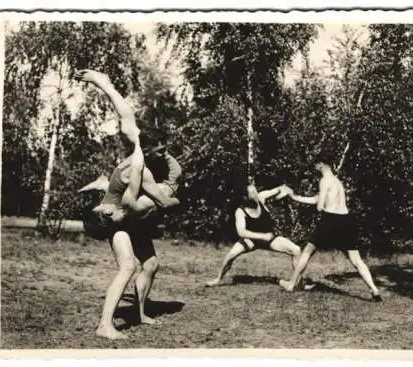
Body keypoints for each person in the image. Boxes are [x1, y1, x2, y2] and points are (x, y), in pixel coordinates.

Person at [74, 69, 182, 339]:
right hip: (117, 222)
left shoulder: (138, 145)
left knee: (150, 264)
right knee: (128, 267)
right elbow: (155, 203)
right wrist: (174, 201)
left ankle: (142, 313)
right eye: (162, 151)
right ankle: (104, 325)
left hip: (128, 219)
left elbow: (125, 114)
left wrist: (102, 82)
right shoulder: (140, 170)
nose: (165, 153)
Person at [278, 153, 382, 302]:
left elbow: (319, 206)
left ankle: (291, 284)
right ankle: (374, 289)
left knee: (307, 251)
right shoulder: (337, 182)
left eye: (316, 164)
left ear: (321, 164)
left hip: (330, 219)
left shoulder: (324, 180)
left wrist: (320, 206)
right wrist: (294, 196)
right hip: (347, 220)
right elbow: (316, 199)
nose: (315, 167)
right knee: (356, 259)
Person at [205, 181, 301, 287]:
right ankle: (218, 279)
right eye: (253, 192)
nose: (256, 193)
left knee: (296, 250)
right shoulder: (240, 211)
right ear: (246, 197)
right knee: (230, 255)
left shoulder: (261, 197)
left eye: (255, 190)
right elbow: (241, 232)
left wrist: (284, 189)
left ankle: (297, 282)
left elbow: (277, 189)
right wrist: (262, 236)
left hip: (269, 239)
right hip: (251, 240)